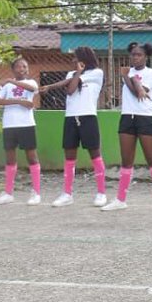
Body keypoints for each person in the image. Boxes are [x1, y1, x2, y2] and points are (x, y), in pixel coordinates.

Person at [102, 42, 152, 213]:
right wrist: (127, 75)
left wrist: (125, 77)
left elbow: (139, 93)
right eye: (133, 54)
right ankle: (120, 199)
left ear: (146, 57)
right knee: (126, 160)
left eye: (139, 54)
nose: (135, 57)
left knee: (151, 158)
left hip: (145, 118)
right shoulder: (129, 71)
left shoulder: (151, 73)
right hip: (127, 117)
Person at [38, 46, 107, 207]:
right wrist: (75, 74)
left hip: (88, 117)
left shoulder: (97, 73)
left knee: (95, 154)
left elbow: (70, 88)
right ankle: (67, 193)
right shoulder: (71, 74)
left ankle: (101, 193)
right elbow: (70, 89)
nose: (72, 60)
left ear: (83, 59)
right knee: (69, 156)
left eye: (75, 57)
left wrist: (74, 75)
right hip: (70, 117)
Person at [0, 57, 42, 206]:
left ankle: (36, 192)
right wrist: (18, 101)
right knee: (10, 159)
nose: (23, 69)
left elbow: (32, 90)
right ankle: (8, 193)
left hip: (26, 125)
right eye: (19, 67)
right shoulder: (6, 87)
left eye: (25, 66)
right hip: (9, 125)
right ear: (13, 70)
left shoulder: (30, 82)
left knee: (32, 158)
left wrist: (10, 81)